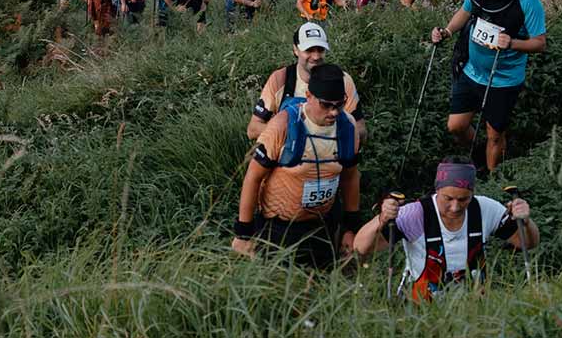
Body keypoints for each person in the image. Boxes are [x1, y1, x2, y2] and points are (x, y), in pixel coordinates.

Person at [230, 64, 363, 268]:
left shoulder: (348, 127)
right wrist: (243, 233)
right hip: (278, 230)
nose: (334, 112)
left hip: (323, 229)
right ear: (309, 95)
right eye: (326, 105)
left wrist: (350, 229)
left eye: (339, 105)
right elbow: (253, 176)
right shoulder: (283, 125)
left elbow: (350, 177)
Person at [353, 157, 539, 302]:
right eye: (448, 198)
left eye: (463, 199)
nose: (455, 207)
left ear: (472, 193)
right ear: (437, 190)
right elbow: (361, 247)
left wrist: (526, 221)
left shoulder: (485, 208)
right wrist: (382, 219)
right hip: (420, 308)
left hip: (475, 306)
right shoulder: (416, 214)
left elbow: (527, 243)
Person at [430, 0, 546, 172]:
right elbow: (465, 12)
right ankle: (479, 153)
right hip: (472, 72)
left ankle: (493, 180)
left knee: (495, 133)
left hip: (503, 80)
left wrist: (512, 43)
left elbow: (540, 43)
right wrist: (446, 31)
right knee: (456, 126)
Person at [248, 22, 366, 142]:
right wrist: (290, 132)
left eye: (320, 50)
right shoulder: (281, 79)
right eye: (309, 50)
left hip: (331, 154)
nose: (315, 56)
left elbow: (361, 130)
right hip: (290, 154)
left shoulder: (341, 80)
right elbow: (253, 129)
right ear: (295, 49)